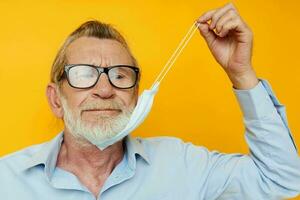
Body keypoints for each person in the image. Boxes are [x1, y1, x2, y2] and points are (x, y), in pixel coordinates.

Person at [1, 2, 299, 200]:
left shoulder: (182, 165)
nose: (104, 90)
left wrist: (242, 73)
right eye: (83, 75)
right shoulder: (7, 180)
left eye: (119, 76)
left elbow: (284, 178)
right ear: (55, 99)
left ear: (136, 94)